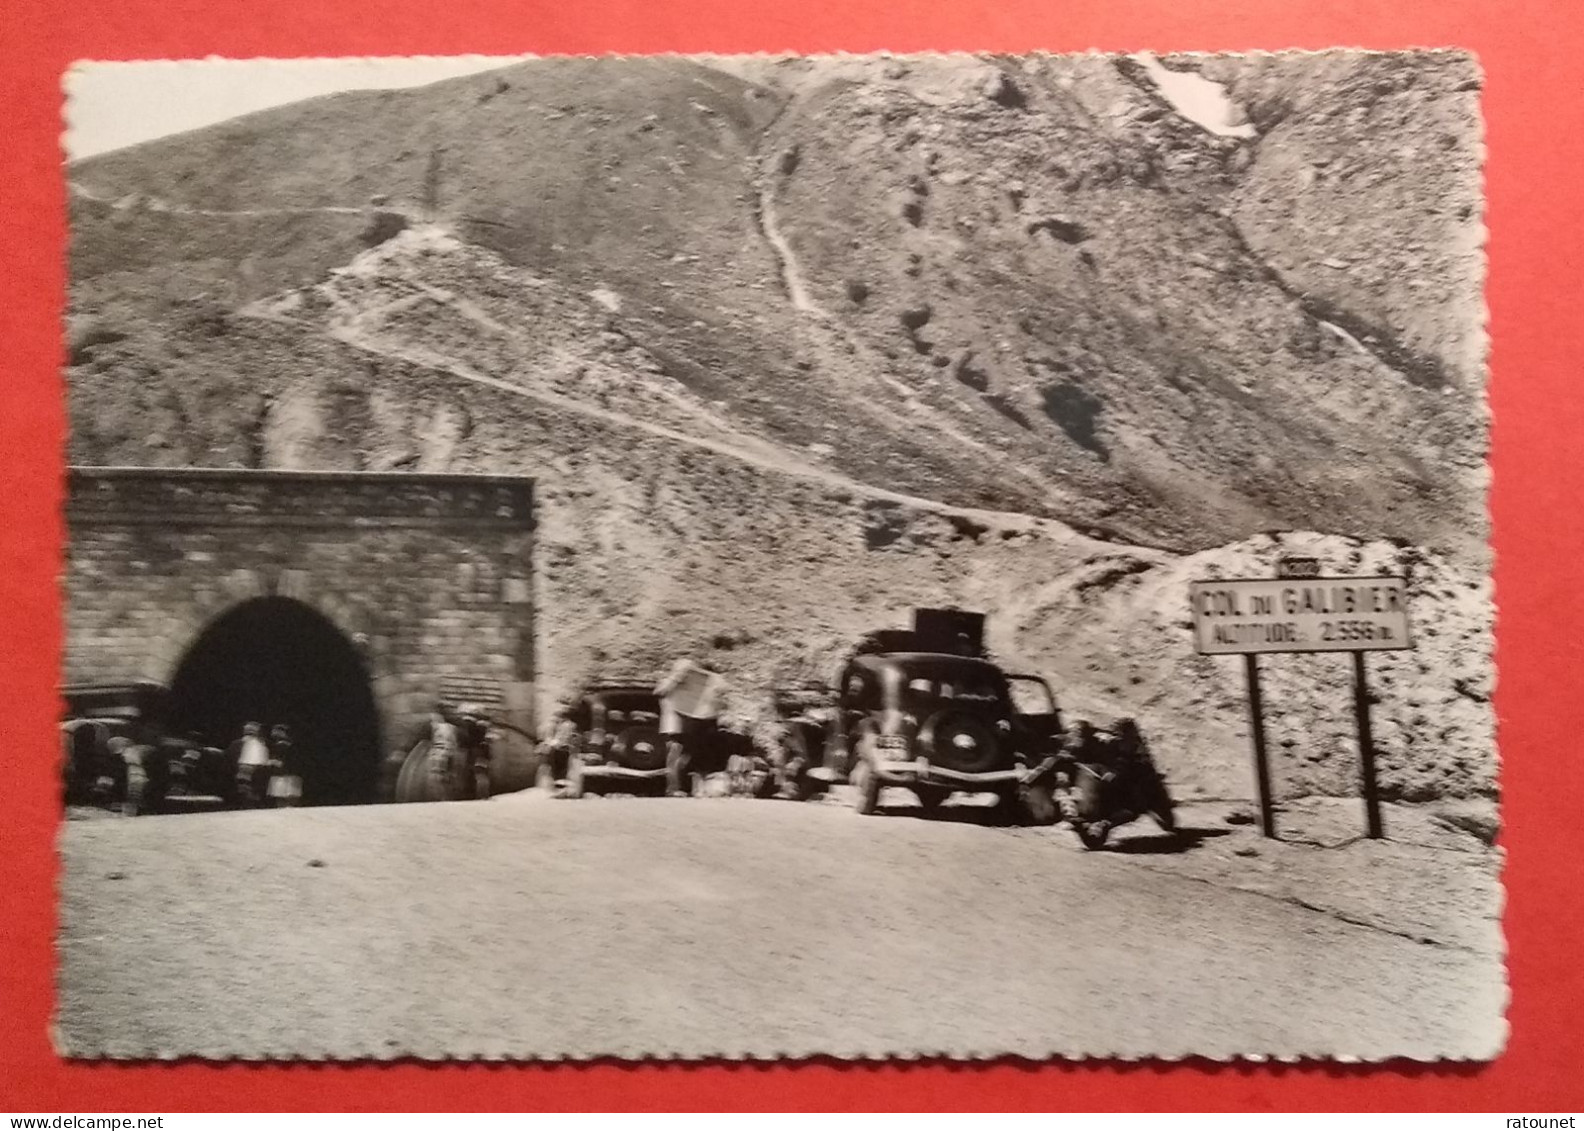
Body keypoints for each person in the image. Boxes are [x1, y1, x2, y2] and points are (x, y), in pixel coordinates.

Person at [655, 656, 727, 797]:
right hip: (673, 726)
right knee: (675, 756)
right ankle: (672, 788)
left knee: (684, 756)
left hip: (684, 724)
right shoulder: (672, 685)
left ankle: (681, 787)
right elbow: (660, 691)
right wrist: (675, 679)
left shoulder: (684, 686)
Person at [233, 721, 272, 807]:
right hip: (253, 772)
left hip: (244, 772)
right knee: (248, 795)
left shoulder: (238, 743)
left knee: (245, 794)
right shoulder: (259, 743)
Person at [427, 706, 461, 800]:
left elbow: (430, 740)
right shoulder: (453, 728)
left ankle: (441, 798)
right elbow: (456, 742)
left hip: (439, 751)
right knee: (450, 776)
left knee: (436, 776)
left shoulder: (435, 726)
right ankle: (450, 796)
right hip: (451, 751)